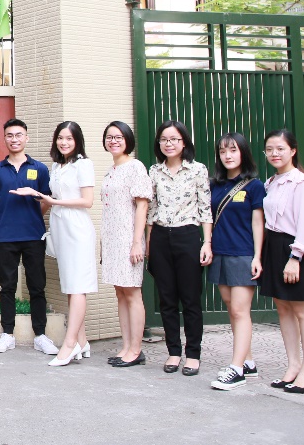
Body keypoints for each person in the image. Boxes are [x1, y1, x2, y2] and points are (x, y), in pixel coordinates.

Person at [18, 121, 97, 367]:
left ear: (78, 141)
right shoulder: (57, 166)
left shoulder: (83, 164)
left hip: (77, 228)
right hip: (60, 227)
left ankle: (70, 344)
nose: (64, 142)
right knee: (71, 286)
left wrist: (53, 202)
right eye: (60, 138)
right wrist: (37, 195)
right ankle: (82, 341)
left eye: (69, 138)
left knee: (78, 286)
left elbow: (87, 201)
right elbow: (53, 196)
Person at [0, 118, 58, 356]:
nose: (14, 139)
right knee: (7, 286)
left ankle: (41, 335)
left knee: (37, 285)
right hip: (6, 237)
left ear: (26, 138)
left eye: (18, 135)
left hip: (33, 235)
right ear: (4, 138)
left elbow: (46, 200)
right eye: (10, 135)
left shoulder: (40, 169)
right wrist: (4, 222)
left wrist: (33, 217)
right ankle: (7, 334)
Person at [260, 129, 304, 394]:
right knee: (283, 309)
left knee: (303, 311)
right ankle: (293, 365)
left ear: (293, 151)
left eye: (280, 149)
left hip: (297, 250)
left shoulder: (301, 184)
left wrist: (295, 257)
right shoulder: (271, 182)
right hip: (274, 247)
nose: (274, 154)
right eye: (269, 149)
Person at [146, 119, 212, 376]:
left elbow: (205, 209)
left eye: (174, 139)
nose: (169, 144)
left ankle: (193, 354)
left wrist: (207, 243)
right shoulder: (154, 171)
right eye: (164, 139)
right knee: (167, 299)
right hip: (161, 237)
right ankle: (174, 351)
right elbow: (151, 211)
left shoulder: (197, 170)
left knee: (191, 299)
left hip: (188, 235)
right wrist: (149, 245)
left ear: (184, 142)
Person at [208, 132, 265, 391]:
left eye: (233, 150)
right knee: (232, 310)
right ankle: (248, 361)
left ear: (243, 152)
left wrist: (257, 257)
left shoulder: (254, 186)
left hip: (243, 254)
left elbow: (258, 223)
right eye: (222, 151)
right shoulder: (214, 185)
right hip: (220, 253)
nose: (227, 155)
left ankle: (236, 368)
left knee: (241, 311)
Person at [99, 121, 152, 368]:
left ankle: (136, 349)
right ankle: (126, 346)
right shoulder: (111, 170)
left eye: (119, 137)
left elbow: (142, 206)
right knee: (120, 292)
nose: (114, 141)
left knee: (132, 293)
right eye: (110, 137)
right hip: (112, 240)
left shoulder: (135, 167)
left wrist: (136, 243)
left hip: (128, 239)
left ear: (128, 140)